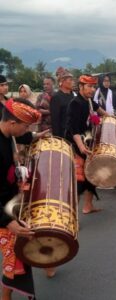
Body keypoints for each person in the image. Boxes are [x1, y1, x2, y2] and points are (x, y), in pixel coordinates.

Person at [0, 98, 44, 300]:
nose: (26, 130)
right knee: (15, 260)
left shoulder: (8, 135)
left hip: (10, 204)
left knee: (20, 256)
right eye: (25, 126)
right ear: (12, 123)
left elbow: (25, 137)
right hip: (2, 214)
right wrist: (9, 223)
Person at [65, 74, 108, 214]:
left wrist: (113, 119)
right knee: (79, 180)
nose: (92, 89)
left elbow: (101, 112)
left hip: (87, 142)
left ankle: (88, 206)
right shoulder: (75, 103)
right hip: (76, 145)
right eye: (89, 86)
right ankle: (71, 217)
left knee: (92, 176)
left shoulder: (89, 101)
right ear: (81, 87)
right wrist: (81, 147)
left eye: (93, 86)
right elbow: (74, 130)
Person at [50, 68, 74, 137]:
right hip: (63, 134)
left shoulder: (73, 95)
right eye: (70, 80)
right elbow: (55, 121)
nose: (73, 82)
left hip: (74, 133)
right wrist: (58, 138)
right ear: (62, 81)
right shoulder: (56, 97)